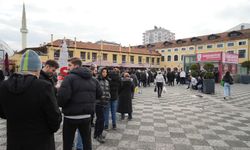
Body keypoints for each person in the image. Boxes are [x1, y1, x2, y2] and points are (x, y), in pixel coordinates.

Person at [0, 50, 62, 150]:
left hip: (15, 141)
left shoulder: (4, 85)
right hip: (40, 141)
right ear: (38, 69)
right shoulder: (43, 86)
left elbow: (3, 113)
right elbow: (54, 118)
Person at [58, 57, 102, 150]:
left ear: (76, 66)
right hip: (86, 116)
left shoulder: (69, 78)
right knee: (87, 142)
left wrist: (62, 104)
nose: (68, 68)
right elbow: (99, 94)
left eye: (70, 65)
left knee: (68, 143)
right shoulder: (93, 79)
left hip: (70, 117)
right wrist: (90, 102)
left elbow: (62, 98)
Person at [94, 67, 110, 143]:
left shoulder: (107, 81)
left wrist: (108, 95)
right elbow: (94, 91)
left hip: (105, 102)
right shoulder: (96, 80)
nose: (105, 73)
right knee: (101, 119)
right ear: (100, 72)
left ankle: (96, 134)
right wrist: (99, 97)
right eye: (103, 72)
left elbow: (107, 90)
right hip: (98, 103)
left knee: (99, 119)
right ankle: (99, 134)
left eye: (106, 72)